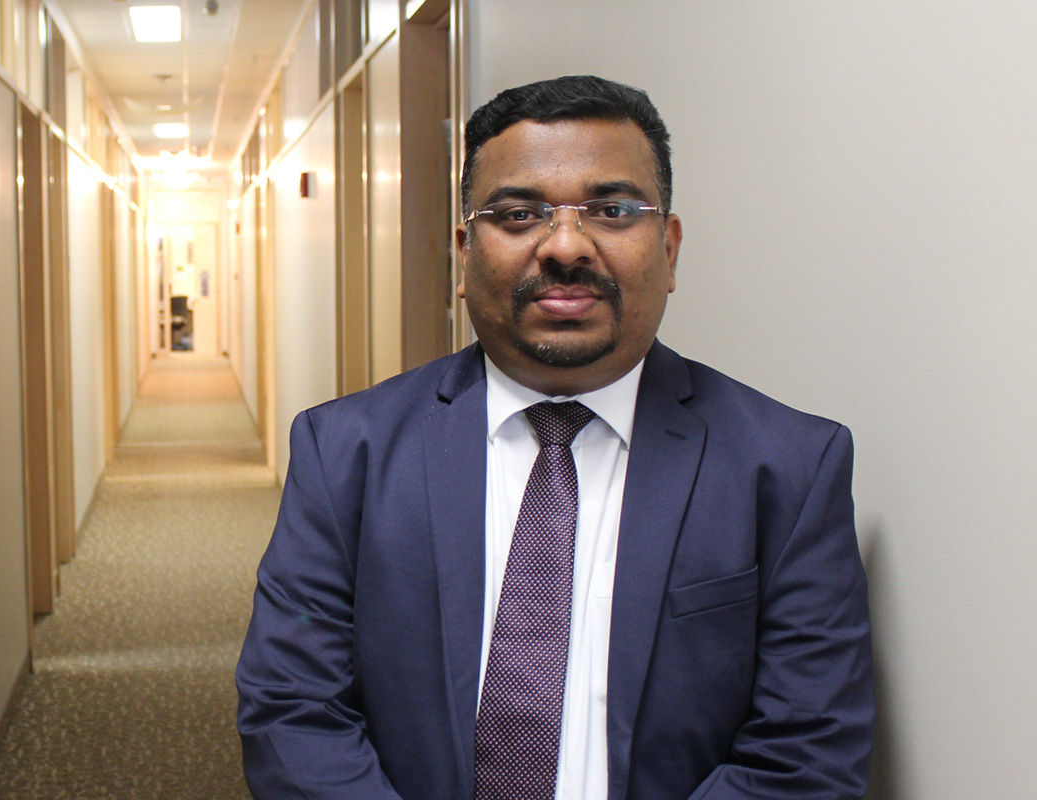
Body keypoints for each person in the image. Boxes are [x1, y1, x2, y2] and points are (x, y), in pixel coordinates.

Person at [236, 75, 873, 800]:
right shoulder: (345, 453)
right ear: (464, 254)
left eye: (613, 210)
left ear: (669, 249)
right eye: (519, 214)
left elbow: (805, 751)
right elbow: (293, 713)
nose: (566, 246)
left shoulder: (788, 468)